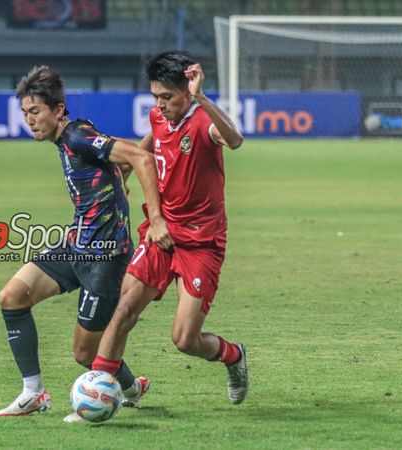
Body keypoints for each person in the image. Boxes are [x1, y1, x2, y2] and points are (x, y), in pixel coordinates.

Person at [0, 65, 170, 420]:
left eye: (35, 111)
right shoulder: (69, 139)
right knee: (12, 297)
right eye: (25, 113)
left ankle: (121, 392)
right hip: (76, 246)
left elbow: (142, 157)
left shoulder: (77, 136)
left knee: (83, 353)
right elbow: (121, 160)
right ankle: (33, 393)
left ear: (58, 110)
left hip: (105, 259)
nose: (29, 120)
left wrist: (155, 220)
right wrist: (117, 175)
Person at [90, 51, 249, 407]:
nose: (160, 105)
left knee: (184, 339)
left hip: (202, 242)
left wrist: (202, 99)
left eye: (168, 97)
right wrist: (129, 167)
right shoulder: (158, 116)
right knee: (125, 308)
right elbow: (154, 139)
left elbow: (235, 140)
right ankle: (99, 390)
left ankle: (233, 356)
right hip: (160, 232)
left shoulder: (202, 123)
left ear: (187, 93)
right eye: (156, 97)